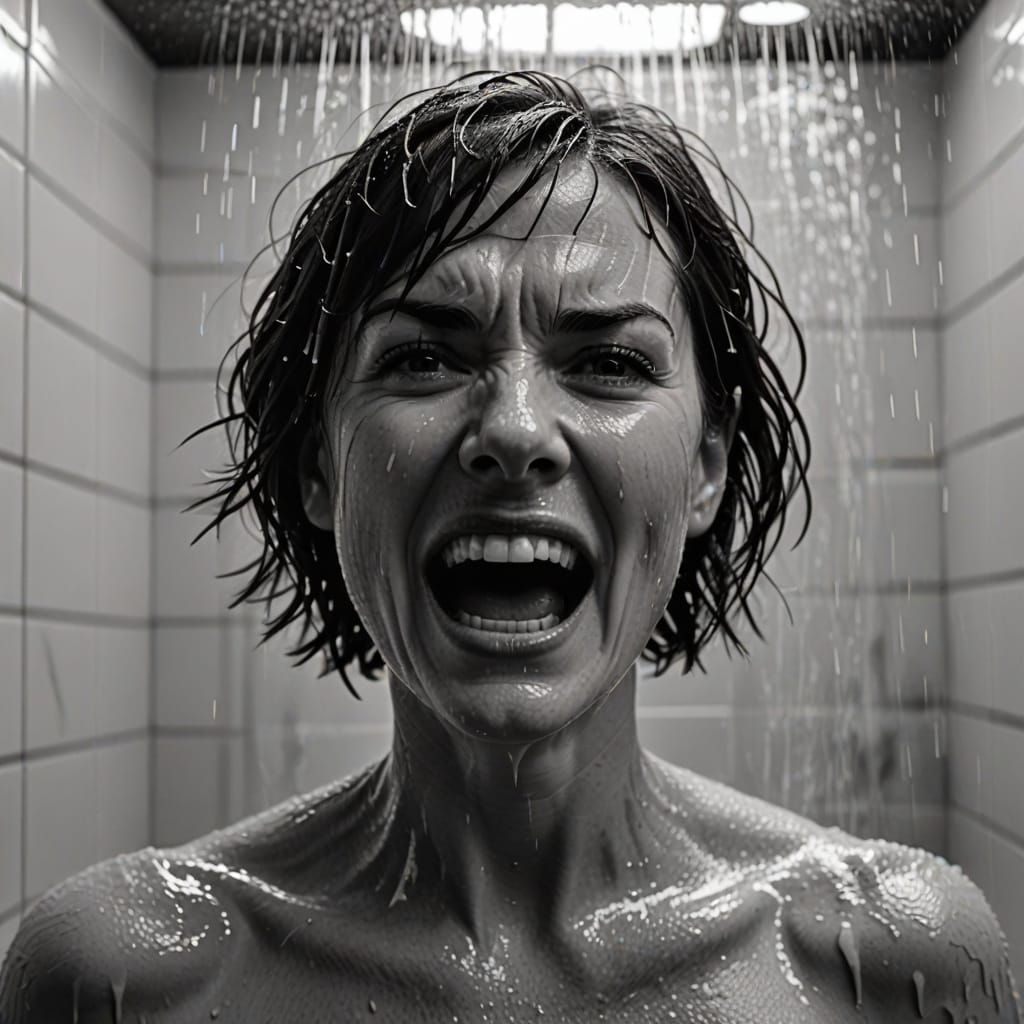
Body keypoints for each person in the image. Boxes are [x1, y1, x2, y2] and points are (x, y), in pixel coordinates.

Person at [1, 69, 1018, 1023]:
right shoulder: (127, 972)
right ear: (321, 465)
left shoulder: (889, 958)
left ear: (705, 468)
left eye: (610, 361)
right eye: (426, 356)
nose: (516, 429)